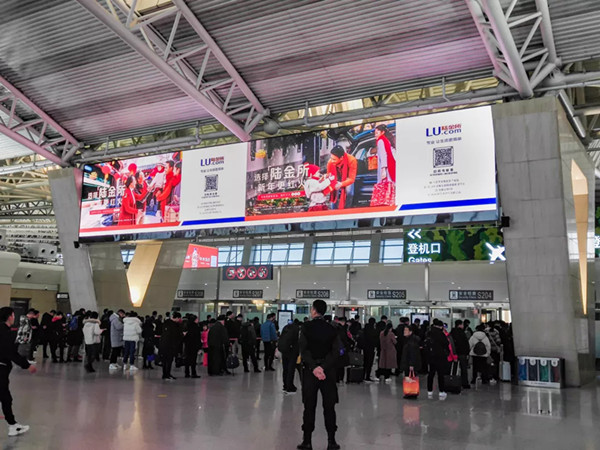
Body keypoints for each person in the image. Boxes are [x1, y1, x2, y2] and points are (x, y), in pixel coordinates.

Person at [297, 300, 341, 450]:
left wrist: (315, 367)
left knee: (309, 406)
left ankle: (307, 441)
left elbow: (303, 350)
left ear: (314, 310)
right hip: (328, 372)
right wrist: (323, 367)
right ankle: (332, 441)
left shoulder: (306, 327)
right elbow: (336, 352)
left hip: (310, 371)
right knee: (329, 406)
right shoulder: (332, 328)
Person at [0, 307, 37, 437]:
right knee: (5, 398)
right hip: (1, 369)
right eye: (13, 315)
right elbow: (10, 352)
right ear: (10, 316)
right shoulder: (5, 333)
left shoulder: (6, 331)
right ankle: (12, 426)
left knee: (5, 397)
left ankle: (13, 424)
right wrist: (26, 365)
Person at [327, 145, 357, 209]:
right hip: (336, 177)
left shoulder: (352, 160)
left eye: (334, 159)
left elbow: (351, 178)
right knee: (333, 192)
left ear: (341, 158)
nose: (332, 161)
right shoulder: (330, 162)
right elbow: (328, 176)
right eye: (331, 158)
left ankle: (347, 209)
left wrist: (341, 184)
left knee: (349, 192)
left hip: (347, 177)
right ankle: (333, 210)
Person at [426, 319, 449, 400]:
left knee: (431, 374)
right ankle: (441, 391)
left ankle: (429, 391)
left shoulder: (428, 333)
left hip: (431, 356)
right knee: (440, 374)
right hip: (440, 356)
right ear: (440, 326)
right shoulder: (441, 334)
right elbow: (446, 344)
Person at [279, 319, 300, 393]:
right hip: (292, 351)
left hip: (284, 350)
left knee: (285, 369)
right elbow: (297, 341)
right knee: (291, 369)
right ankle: (290, 386)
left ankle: (285, 385)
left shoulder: (286, 327)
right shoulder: (296, 329)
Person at [160, 312, 183, 380]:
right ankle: (167, 374)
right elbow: (177, 336)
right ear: (177, 318)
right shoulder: (175, 326)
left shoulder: (165, 323)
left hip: (164, 345)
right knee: (169, 360)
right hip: (171, 346)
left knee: (164, 360)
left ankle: (165, 374)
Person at [450, 320, 471, 389]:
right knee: (463, 368)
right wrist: (467, 352)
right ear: (460, 325)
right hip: (462, 353)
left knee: (454, 368)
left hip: (454, 353)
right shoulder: (462, 333)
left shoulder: (452, 332)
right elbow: (465, 343)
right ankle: (464, 383)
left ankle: (453, 381)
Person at [183, 314, 201, 378]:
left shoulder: (186, 326)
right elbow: (198, 338)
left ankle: (187, 373)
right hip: (194, 346)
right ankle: (193, 373)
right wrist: (199, 346)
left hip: (188, 345)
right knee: (193, 360)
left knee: (187, 359)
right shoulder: (196, 327)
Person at [361, 317, 378, 382]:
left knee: (365, 362)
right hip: (371, 348)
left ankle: (363, 376)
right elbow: (375, 339)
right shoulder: (373, 330)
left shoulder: (365, 329)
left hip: (365, 348)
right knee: (370, 362)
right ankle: (367, 376)